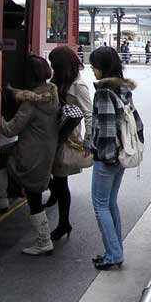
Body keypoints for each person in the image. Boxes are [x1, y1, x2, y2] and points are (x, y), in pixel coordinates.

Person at [89, 46, 144, 270]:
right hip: (121, 155)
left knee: (100, 205)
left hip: (108, 157)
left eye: (95, 66)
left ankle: (113, 254)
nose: (93, 70)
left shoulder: (104, 92)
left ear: (102, 68)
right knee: (110, 203)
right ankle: (115, 251)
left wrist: (104, 156)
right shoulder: (123, 89)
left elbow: (107, 128)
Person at [0, 55, 60, 256]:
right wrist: (12, 91)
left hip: (30, 156)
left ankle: (43, 241)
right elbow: (30, 96)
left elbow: (10, 130)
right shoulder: (52, 93)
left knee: (32, 196)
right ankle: (44, 239)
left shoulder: (31, 104)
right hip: (45, 153)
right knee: (35, 194)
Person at [46, 45, 93, 241]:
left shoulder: (78, 86)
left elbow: (90, 114)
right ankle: (56, 198)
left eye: (54, 64)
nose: (52, 67)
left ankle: (64, 223)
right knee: (55, 176)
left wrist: (88, 141)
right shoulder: (57, 81)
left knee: (60, 179)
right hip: (52, 135)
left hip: (67, 138)